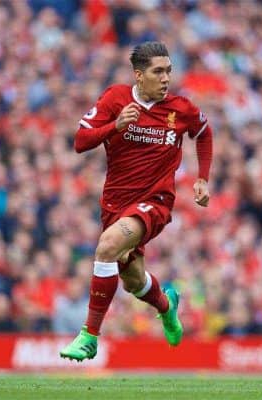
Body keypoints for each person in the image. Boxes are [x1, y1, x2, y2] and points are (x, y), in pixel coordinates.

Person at [60, 41, 213, 361]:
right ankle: (167, 307)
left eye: (169, 71)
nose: (166, 78)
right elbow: (79, 142)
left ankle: (89, 336)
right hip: (116, 203)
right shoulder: (114, 99)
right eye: (158, 72)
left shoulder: (180, 109)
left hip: (155, 202)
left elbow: (204, 132)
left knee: (106, 246)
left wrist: (202, 178)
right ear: (139, 75)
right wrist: (115, 126)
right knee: (132, 281)